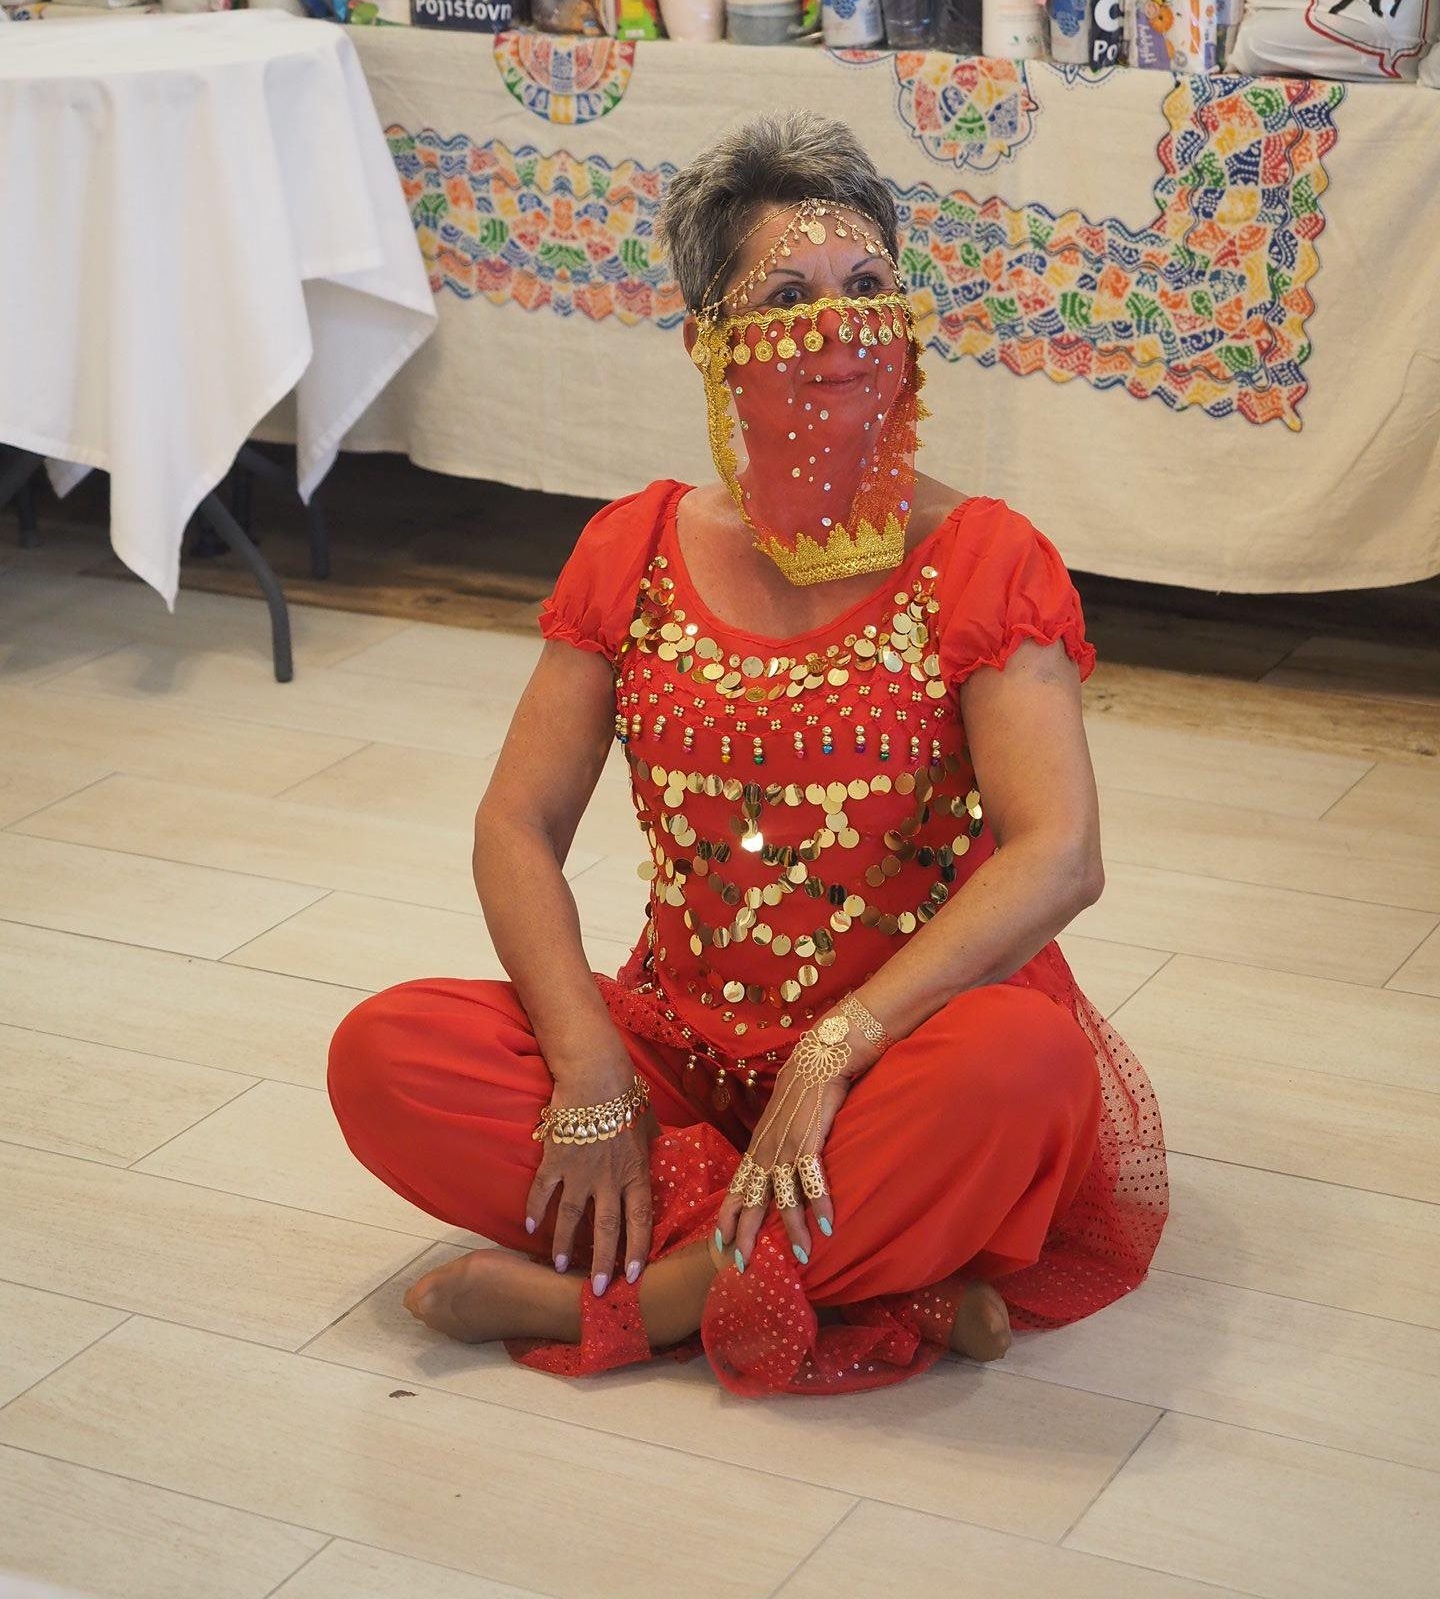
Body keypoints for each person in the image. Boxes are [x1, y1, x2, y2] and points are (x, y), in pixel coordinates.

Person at [327, 111, 1168, 1397]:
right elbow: (516, 825)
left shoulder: (986, 558)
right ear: (706, 342)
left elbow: (1060, 855)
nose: (841, 326)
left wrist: (835, 1049)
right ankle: (872, 1271)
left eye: (869, 286)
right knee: (387, 1053)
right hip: (684, 1052)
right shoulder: (634, 547)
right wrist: (595, 1074)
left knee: (1022, 1069)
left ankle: (644, 1299)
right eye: (788, 298)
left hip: (903, 1053)